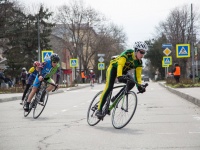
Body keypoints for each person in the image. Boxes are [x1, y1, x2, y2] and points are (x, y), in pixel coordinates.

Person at [95, 41, 148, 119]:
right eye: (141, 52)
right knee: (109, 87)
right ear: (136, 50)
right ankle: (99, 110)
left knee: (132, 82)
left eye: (144, 53)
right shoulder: (127, 54)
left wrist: (139, 86)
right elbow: (120, 65)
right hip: (114, 68)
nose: (143, 55)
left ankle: (116, 97)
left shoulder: (139, 62)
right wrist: (119, 76)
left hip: (123, 71)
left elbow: (138, 76)